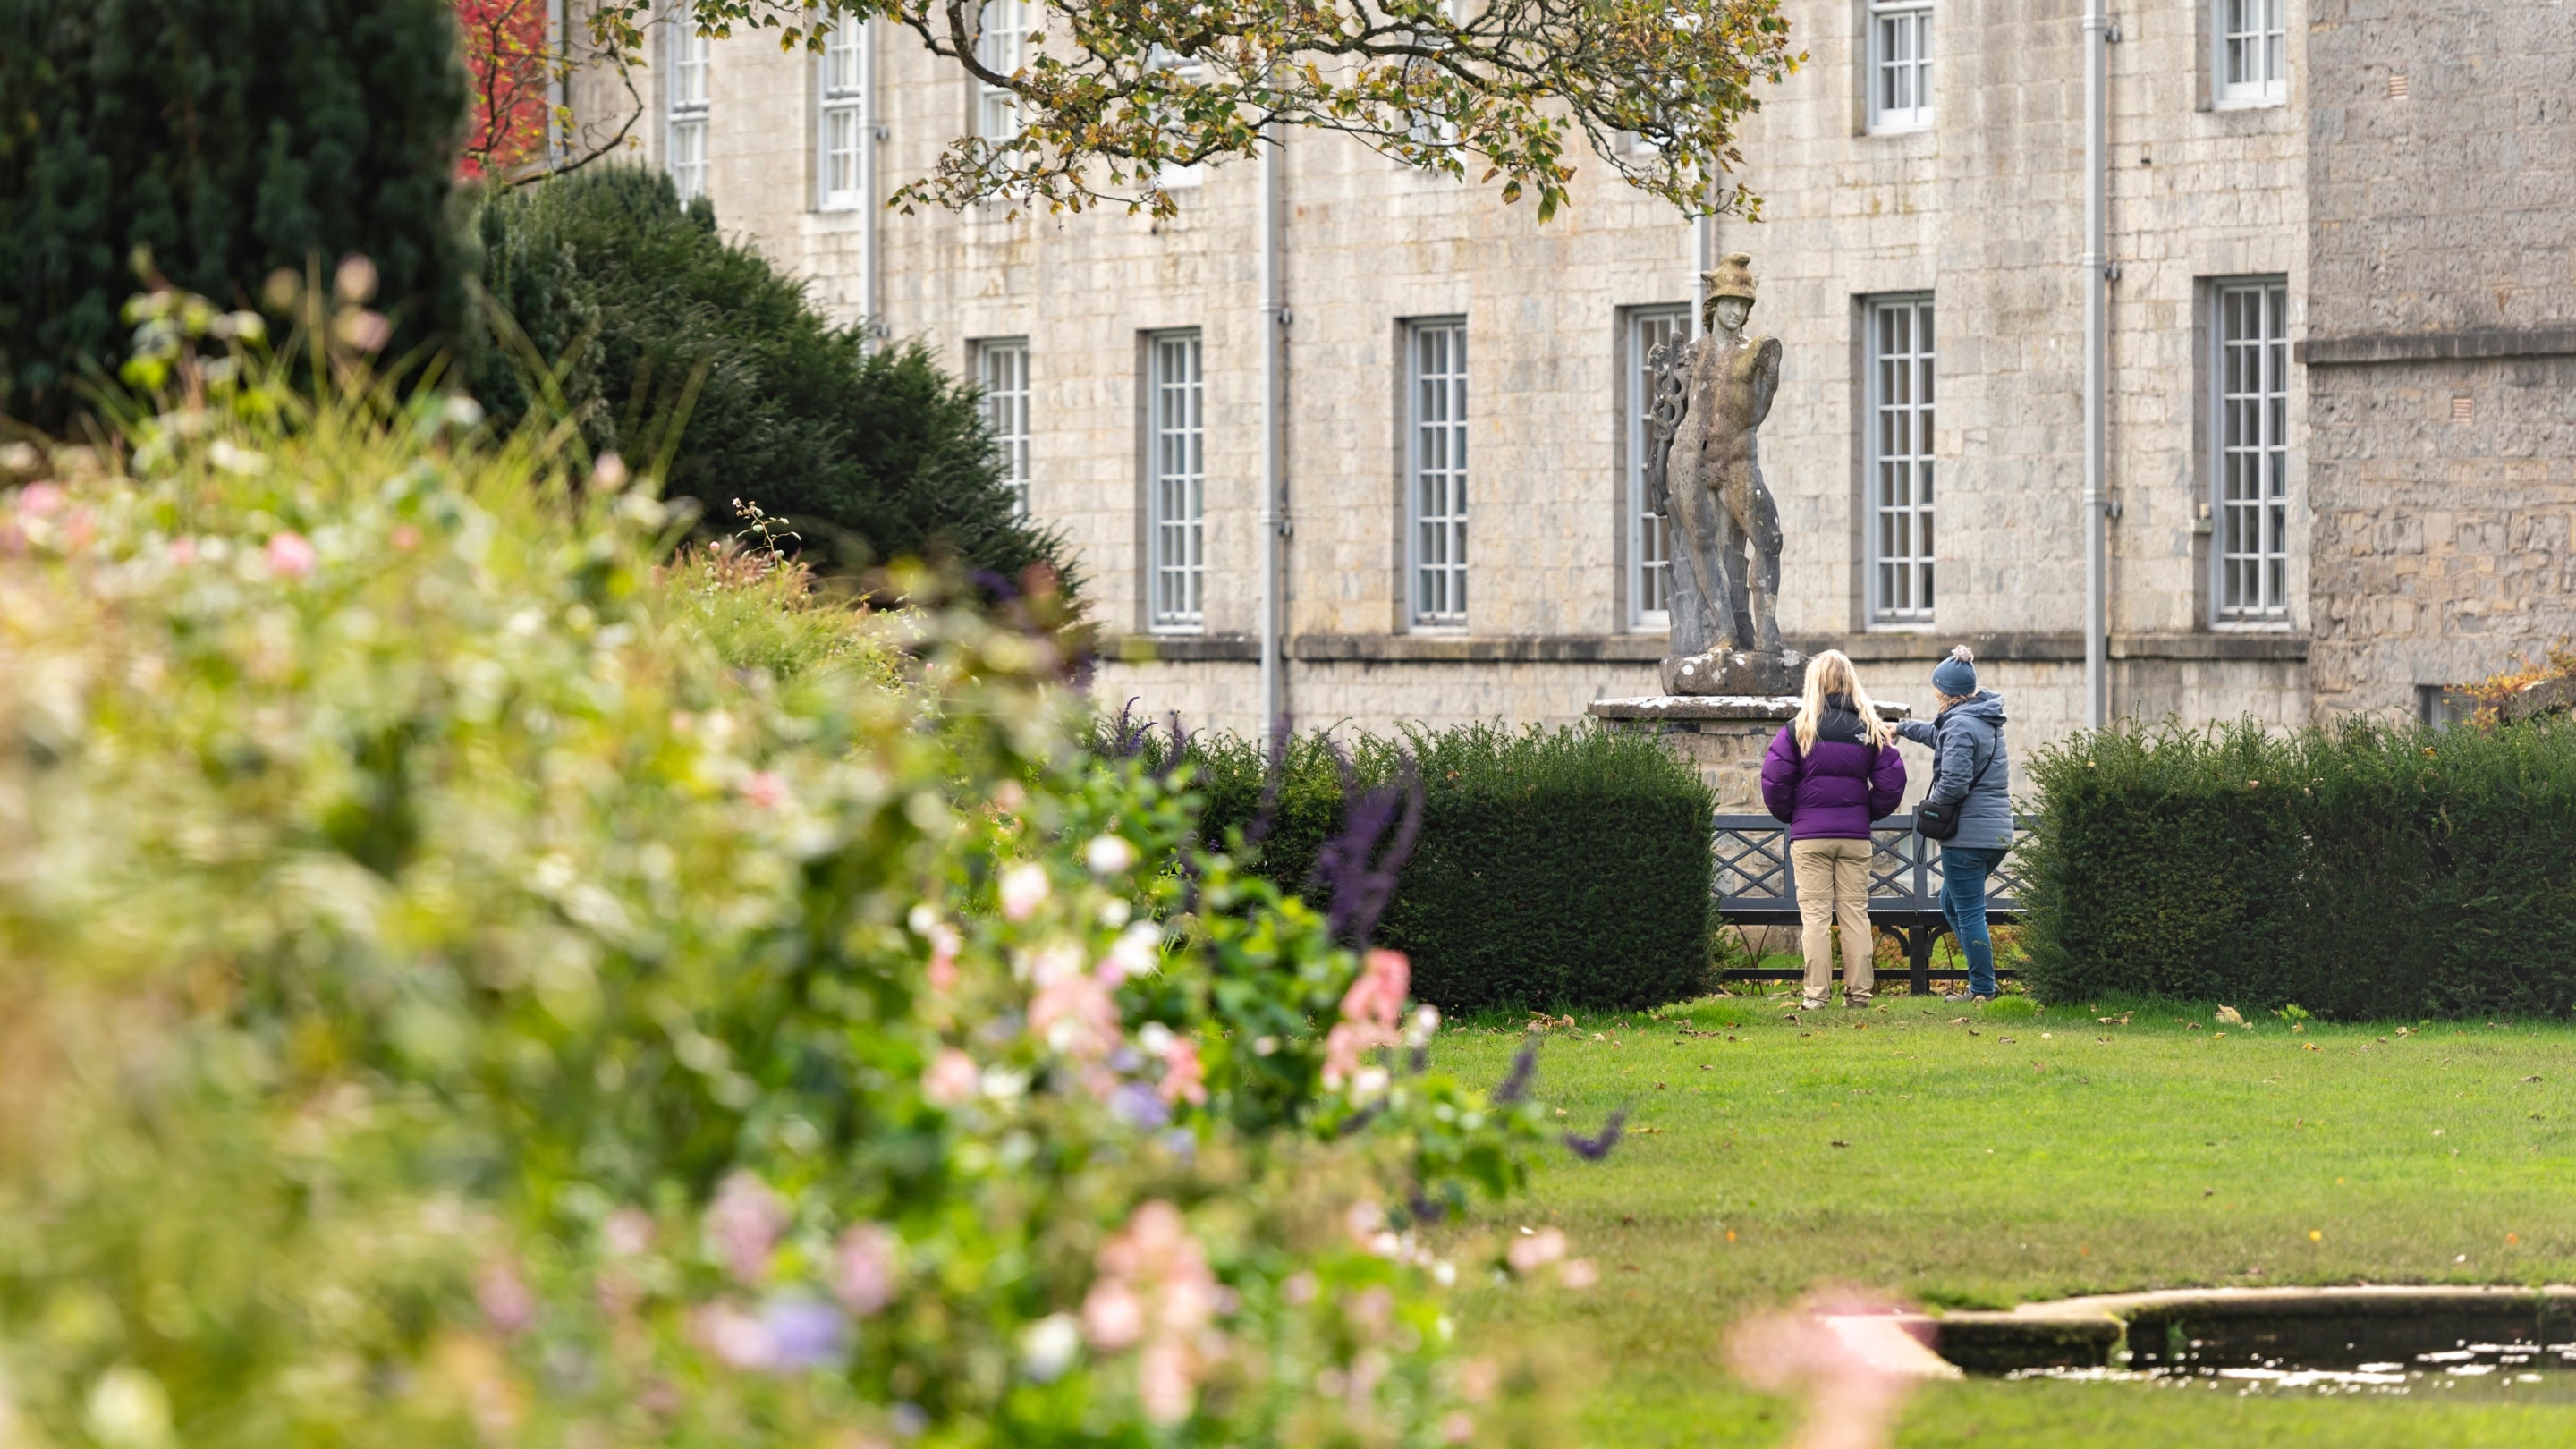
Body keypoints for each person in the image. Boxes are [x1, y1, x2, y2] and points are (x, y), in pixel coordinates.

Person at [1760, 650, 1907, 1009]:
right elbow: (1893, 782)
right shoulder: (1870, 727)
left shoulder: (1799, 729)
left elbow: (1774, 782)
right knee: (1855, 914)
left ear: (1815, 682)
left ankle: (1816, 996)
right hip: (1854, 837)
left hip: (1810, 836)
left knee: (1816, 918)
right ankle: (1859, 995)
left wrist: (1793, 814)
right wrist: (1865, 812)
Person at [1896, 645, 2014, 1004]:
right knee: (1951, 904)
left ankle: (1982, 989)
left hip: (1967, 837)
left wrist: (1932, 807)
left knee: (1970, 912)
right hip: (1994, 834)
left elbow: (1955, 782)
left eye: (1936, 693)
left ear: (1946, 694)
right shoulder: (1981, 717)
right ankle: (1982, 982)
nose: (1935, 699)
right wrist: (1900, 727)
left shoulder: (1961, 724)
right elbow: (1938, 736)